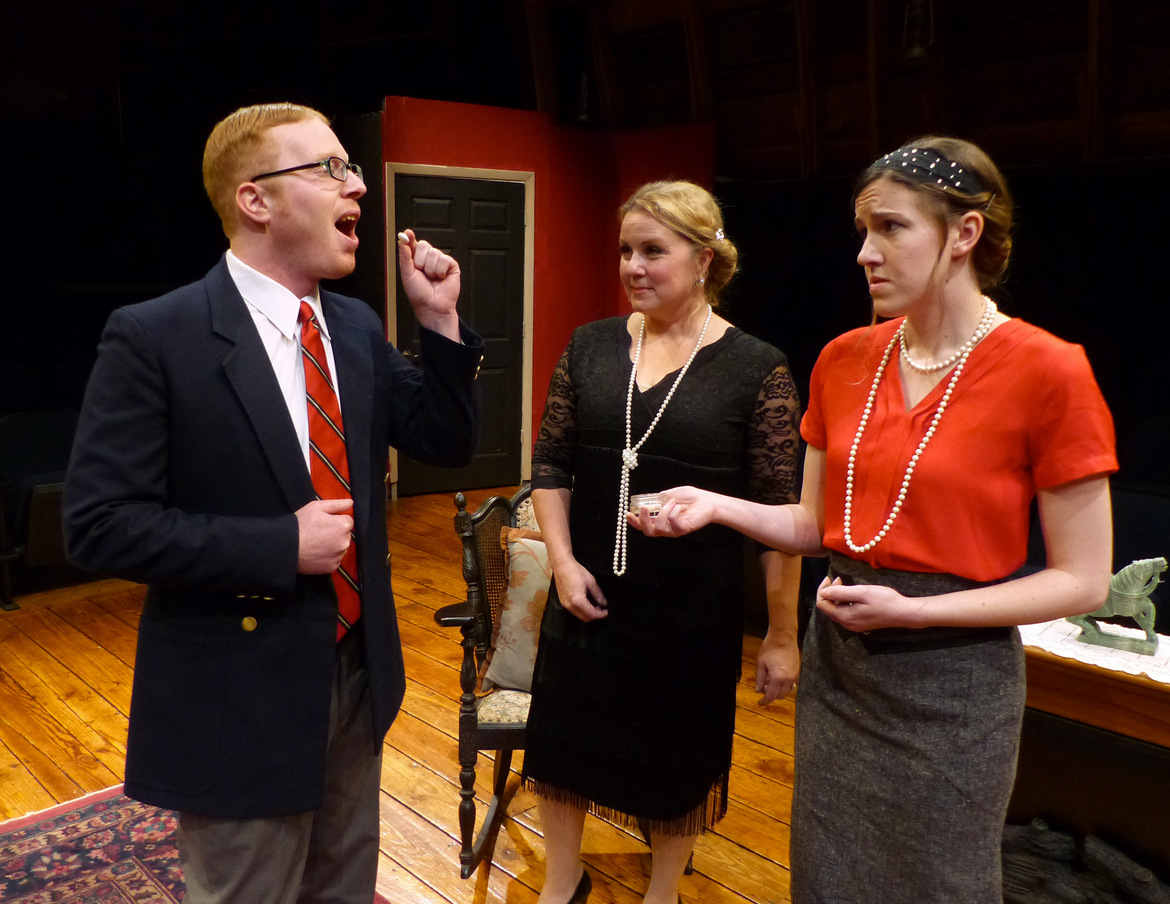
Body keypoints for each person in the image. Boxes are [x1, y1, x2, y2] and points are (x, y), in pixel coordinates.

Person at [632, 137, 1117, 902]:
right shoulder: (845, 359)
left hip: (956, 682)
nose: (865, 252)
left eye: (891, 228)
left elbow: (1084, 581)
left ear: (965, 234)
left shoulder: (1049, 369)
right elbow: (816, 527)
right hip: (844, 670)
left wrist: (913, 612)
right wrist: (715, 506)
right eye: (862, 230)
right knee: (828, 879)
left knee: (939, 884)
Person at [63, 102, 483, 904]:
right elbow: (98, 525)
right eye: (329, 167)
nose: (357, 181)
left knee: (341, 890)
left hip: (359, 677)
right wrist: (274, 547)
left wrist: (439, 322)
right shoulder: (157, 335)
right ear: (255, 200)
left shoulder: (353, 326)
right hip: (237, 695)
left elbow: (444, 440)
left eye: (350, 167)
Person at [523, 180, 803, 904]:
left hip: (691, 611)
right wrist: (560, 563)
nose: (633, 266)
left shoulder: (757, 368)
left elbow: (783, 518)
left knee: (677, 754)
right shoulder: (589, 345)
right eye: (625, 250)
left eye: (654, 250)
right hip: (585, 590)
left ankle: (664, 889)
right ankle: (562, 879)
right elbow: (550, 464)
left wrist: (781, 632)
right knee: (564, 737)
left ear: (704, 259)